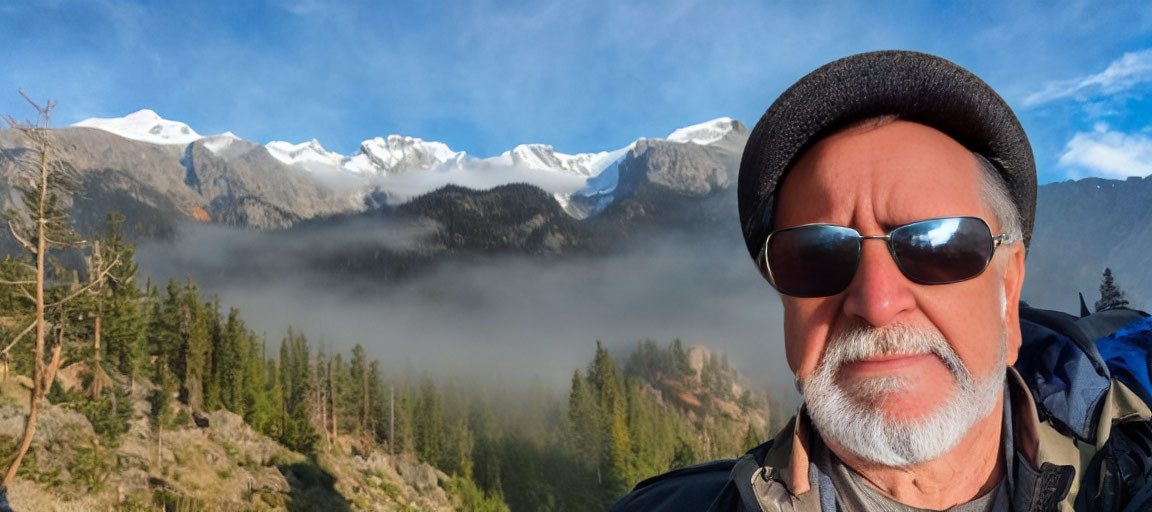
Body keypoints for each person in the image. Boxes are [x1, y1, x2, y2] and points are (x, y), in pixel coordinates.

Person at [611, 50, 1152, 511]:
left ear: (1008, 293)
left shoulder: (1134, 472)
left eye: (937, 246)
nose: (876, 300)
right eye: (816, 255)